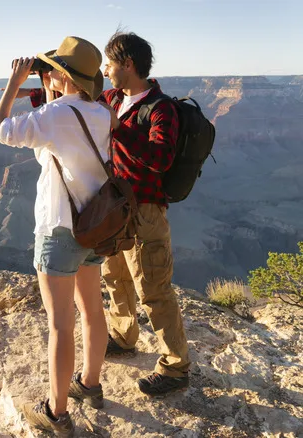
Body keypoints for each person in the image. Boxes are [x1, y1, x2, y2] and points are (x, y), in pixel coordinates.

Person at [0, 36, 110, 437]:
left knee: (60, 324)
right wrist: (39, 87)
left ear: (62, 75)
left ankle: (56, 413)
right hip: (94, 225)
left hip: (59, 229)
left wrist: (12, 84)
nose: (45, 74)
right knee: (92, 310)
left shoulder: (56, 114)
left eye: (50, 69)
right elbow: (60, 116)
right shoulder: (100, 111)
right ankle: (89, 384)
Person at [98, 31, 191, 396]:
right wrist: (34, 92)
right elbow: (77, 102)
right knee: (115, 277)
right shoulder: (111, 98)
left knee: (153, 289)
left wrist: (119, 127)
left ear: (128, 64)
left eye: (109, 63)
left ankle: (175, 367)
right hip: (114, 209)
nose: (105, 70)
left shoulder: (160, 108)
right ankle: (123, 335)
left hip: (146, 213)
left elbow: (160, 158)